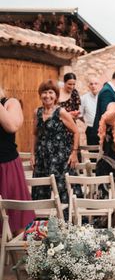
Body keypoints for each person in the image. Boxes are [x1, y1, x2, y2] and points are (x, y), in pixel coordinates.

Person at [31, 80, 80, 204]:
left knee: (63, 192)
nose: (47, 96)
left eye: (50, 92)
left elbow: (76, 132)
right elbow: (34, 134)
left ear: (56, 95)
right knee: (40, 191)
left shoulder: (61, 112)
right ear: (40, 95)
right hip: (42, 157)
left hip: (60, 157)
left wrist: (74, 153)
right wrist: (32, 155)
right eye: (44, 92)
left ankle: (66, 222)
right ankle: (43, 222)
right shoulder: (37, 112)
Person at [0, 87, 34, 234]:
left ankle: (17, 256)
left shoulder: (10, 103)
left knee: (16, 220)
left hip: (7, 167)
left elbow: (12, 126)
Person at [79, 76, 101, 146]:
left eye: (95, 83)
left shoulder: (103, 97)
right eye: (91, 84)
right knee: (92, 154)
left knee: (104, 154)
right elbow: (80, 115)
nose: (93, 86)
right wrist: (88, 121)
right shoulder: (83, 98)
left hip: (102, 129)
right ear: (88, 86)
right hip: (90, 129)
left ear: (99, 85)